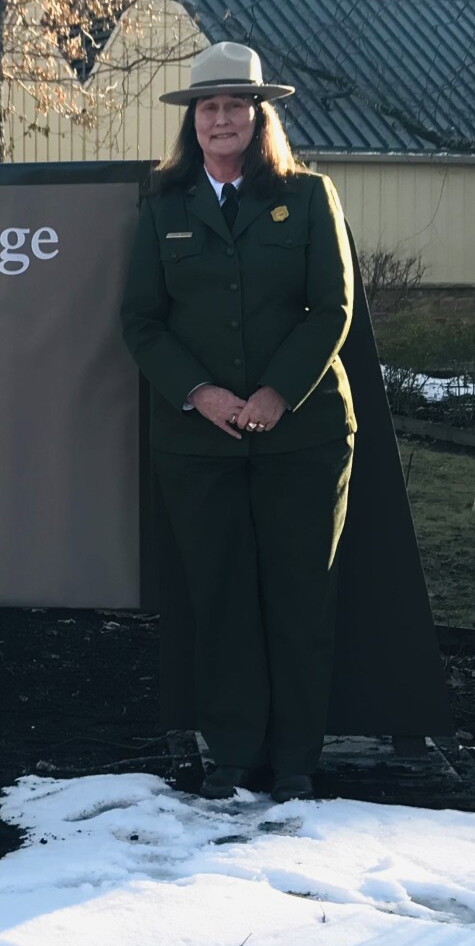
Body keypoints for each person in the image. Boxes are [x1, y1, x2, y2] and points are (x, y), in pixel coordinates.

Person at [120, 41, 355, 803]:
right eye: (207, 108)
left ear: (260, 117)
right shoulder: (162, 207)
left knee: (299, 598)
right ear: (192, 122)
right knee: (218, 598)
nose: (220, 119)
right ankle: (232, 751)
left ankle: (294, 760)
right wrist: (204, 394)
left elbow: (333, 310)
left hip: (303, 432)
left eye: (235, 106)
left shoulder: (310, 196)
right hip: (198, 440)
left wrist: (276, 395)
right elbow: (141, 321)